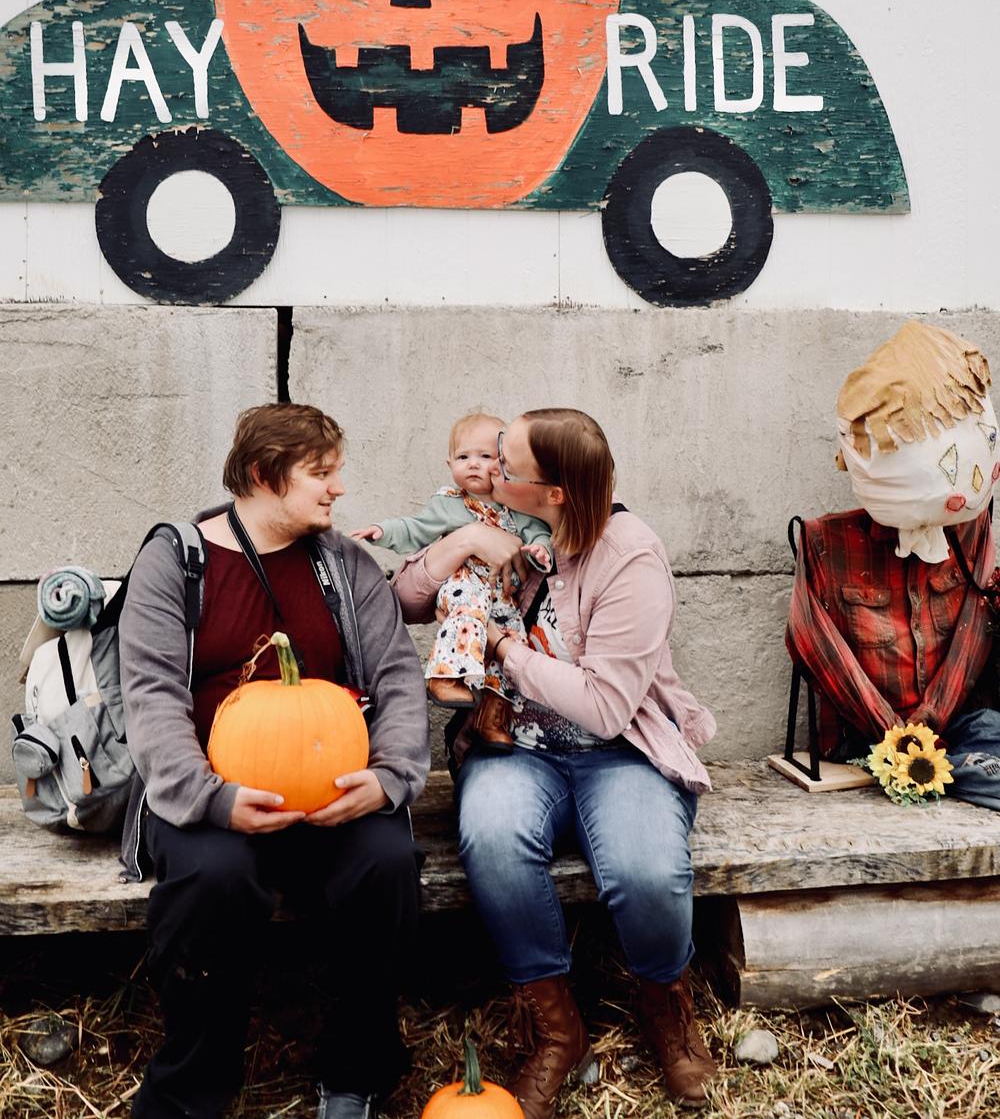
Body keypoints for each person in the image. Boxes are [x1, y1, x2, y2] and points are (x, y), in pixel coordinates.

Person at [393, 408, 719, 1113]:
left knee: (646, 870)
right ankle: (555, 1028)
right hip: (513, 745)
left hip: (620, 751)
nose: (491, 469)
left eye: (507, 466)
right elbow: (406, 599)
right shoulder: (492, 519)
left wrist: (503, 649)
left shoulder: (629, 555)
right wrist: (464, 541)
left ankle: (665, 1005)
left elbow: (604, 707)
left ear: (556, 492)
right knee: (493, 839)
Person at [117, 403, 429, 1119]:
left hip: (334, 790)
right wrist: (211, 798)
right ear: (264, 475)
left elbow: (397, 677)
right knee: (214, 878)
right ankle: (192, 1089)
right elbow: (152, 696)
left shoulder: (345, 565)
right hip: (210, 793)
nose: (338, 488)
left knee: (386, 864)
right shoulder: (177, 562)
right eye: (321, 474)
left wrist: (388, 779)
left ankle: (356, 1072)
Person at [787, 320, 1000, 803]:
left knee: (988, 742)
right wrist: (899, 742)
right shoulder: (826, 542)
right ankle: (961, 771)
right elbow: (813, 644)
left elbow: (974, 631)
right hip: (864, 737)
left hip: (959, 728)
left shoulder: (971, 531)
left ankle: (962, 769)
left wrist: (927, 731)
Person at [352, 411, 552, 750]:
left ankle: (492, 714)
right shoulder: (449, 503)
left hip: (503, 595)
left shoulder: (517, 507)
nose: (473, 464)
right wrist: (383, 531)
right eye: (463, 457)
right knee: (467, 611)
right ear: (449, 463)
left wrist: (540, 550)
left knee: (513, 642)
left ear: (505, 464)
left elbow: (538, 534)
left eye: (485, 456)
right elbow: (417, 528)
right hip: (464, 583)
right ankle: (444, 676)